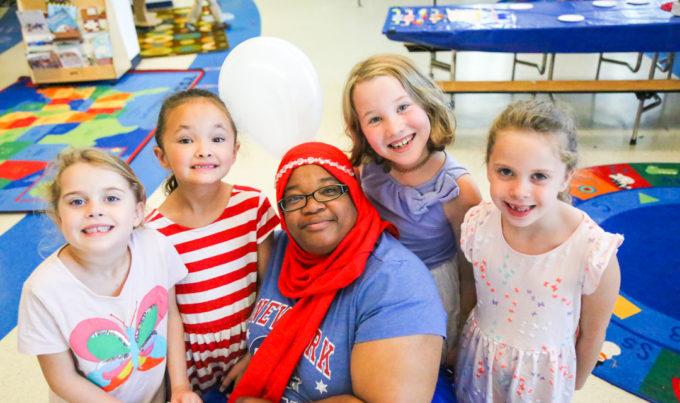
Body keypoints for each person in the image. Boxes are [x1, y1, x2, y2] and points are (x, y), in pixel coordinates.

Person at [223, 142, 447, 403]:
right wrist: (262, 354)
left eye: (329, 190)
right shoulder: (281, 249)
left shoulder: (395, 281)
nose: (312, 206)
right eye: (294, 197)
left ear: (353, 193)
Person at [455, 99, 623, 402]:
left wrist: (570, 385)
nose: (520, 190)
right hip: (479, 362)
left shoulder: (593, 252)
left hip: (541, 382)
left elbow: (592, 334)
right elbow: (469, 287)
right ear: (488, 165)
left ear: (567, 176)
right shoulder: (478, 225)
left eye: (539, 176)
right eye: (505, 171)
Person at [17, 147, 200, 403]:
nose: (94, 210)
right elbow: (62, 379)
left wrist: (180, 386)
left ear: (137, 212)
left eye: (111, 198)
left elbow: (170, 316)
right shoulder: (43, 291)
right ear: (59, 219)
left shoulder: (155, 246)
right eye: (77, 201)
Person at [342, 53, 482, 367]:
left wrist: (462, 331)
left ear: (427, 103)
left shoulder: (458, 188)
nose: (394, 128)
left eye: (403, 107)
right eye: (374, 119)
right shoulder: (366, 169)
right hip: (378, 283)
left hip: (431, 292)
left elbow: (471, 271)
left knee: (420, 367)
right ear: (360, 130)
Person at [146, 89, 279, 398]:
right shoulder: (154, 232)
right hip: (190, 363)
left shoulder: (253, 206)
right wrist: (179, 385)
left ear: (234, 151)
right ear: (161, 156)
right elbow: (170, 315)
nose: (204, 150)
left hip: (253, 347)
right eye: (185, 140)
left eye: (217, 139)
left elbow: (270, 286)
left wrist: (255, 352)